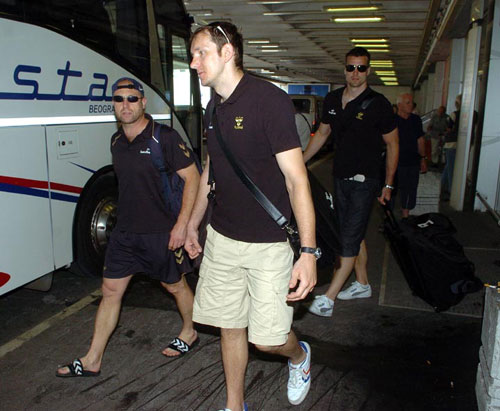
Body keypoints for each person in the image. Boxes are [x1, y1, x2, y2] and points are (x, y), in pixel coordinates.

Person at [185, 22, 318, 410]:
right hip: (223, 238)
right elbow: (212, 168)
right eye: (192, 55)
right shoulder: (214, 107)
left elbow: (297, 180)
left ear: (227, 53)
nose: (194, 63)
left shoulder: (269, 101)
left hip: (269, 243)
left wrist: (308, 253)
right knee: (230, 326)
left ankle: (299, 356)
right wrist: (193, 223)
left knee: (268, 340)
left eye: (201, 53)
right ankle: (234, 404)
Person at [56, 77, 201, 377]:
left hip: (161, 232)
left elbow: (193, 178)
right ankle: (93, 359)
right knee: (110, 290)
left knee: (174, 285)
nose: (126, 105)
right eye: (119, 99)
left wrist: (182, 225)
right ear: (113, 105)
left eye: (132, 99)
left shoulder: (164, 137)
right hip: (124, 233)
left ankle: (190, 331)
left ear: (143, 103)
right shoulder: (116, 141)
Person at [304, 47, 398, 317]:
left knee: (348, 237)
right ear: (344, 69)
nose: (355, 73)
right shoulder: (333, 99)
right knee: (351, 231)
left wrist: (388, 184)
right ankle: (363, 284)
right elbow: (323, 133)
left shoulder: (378, 104)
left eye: (361, 68)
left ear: (368, 71)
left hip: (365, 181)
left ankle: (328, 299)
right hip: (340, 178)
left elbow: (393, 144)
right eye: (350, 67)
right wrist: (300, 161)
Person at [396, 93, 427, 218]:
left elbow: (420, 140)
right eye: (407, 103)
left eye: (411, 103)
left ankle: (406, 215)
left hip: (413, 161)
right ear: (399, 105)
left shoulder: (416, 120)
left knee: (411, 188)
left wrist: (423, 159)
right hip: (396, 162)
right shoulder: (392, 120)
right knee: (395, 189)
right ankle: (389, 216)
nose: (410, 105)